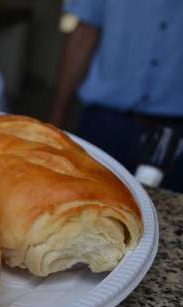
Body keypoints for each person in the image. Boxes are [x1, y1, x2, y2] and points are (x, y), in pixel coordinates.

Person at [51, 0, 183, 192]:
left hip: (176, 130)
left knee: (169, 215)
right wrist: (57, 116)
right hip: (105, 123)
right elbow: (83, 34)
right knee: (83, 198)